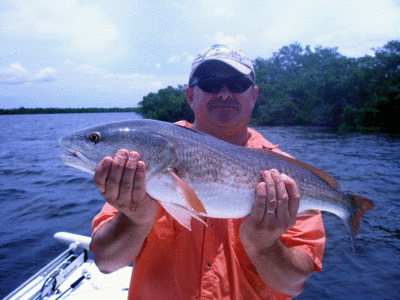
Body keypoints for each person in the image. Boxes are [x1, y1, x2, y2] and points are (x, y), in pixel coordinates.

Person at [90, 45, 326, 300]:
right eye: (211, 84)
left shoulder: (286, 174)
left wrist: (265, 247)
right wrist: (134, 218)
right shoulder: (148, 159)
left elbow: (293, 285)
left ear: (254, 96)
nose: (224, 94)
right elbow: (107, 263)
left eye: (237, 84)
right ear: (191, 95)